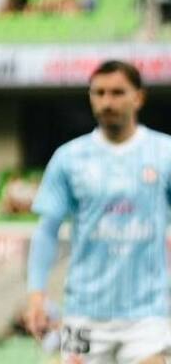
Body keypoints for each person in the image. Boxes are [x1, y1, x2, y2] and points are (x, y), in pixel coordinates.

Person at [26, 60, 171, 364]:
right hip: (82, 313)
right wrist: (36, 293)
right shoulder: (69, 158)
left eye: (118, 92)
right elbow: (47, 229)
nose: (107, 101)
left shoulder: (164, 153)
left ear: (139, 97)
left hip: (148, 313)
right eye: (99, 93)